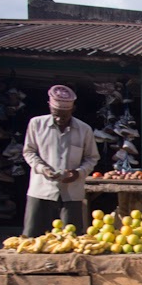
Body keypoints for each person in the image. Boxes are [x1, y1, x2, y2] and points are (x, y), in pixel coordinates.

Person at [21, 85, 99, 236]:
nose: (59, 119)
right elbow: (29, 152)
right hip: (41, 190)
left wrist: (78, 172)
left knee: (71, 238)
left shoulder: (84, 130)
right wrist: (43, 169)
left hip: (71, 193)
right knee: (32, 237)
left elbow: (92, 158)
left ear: (72, 109)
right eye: (55, 114)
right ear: (49, 106)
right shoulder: (36, 124)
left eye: (64, 115)